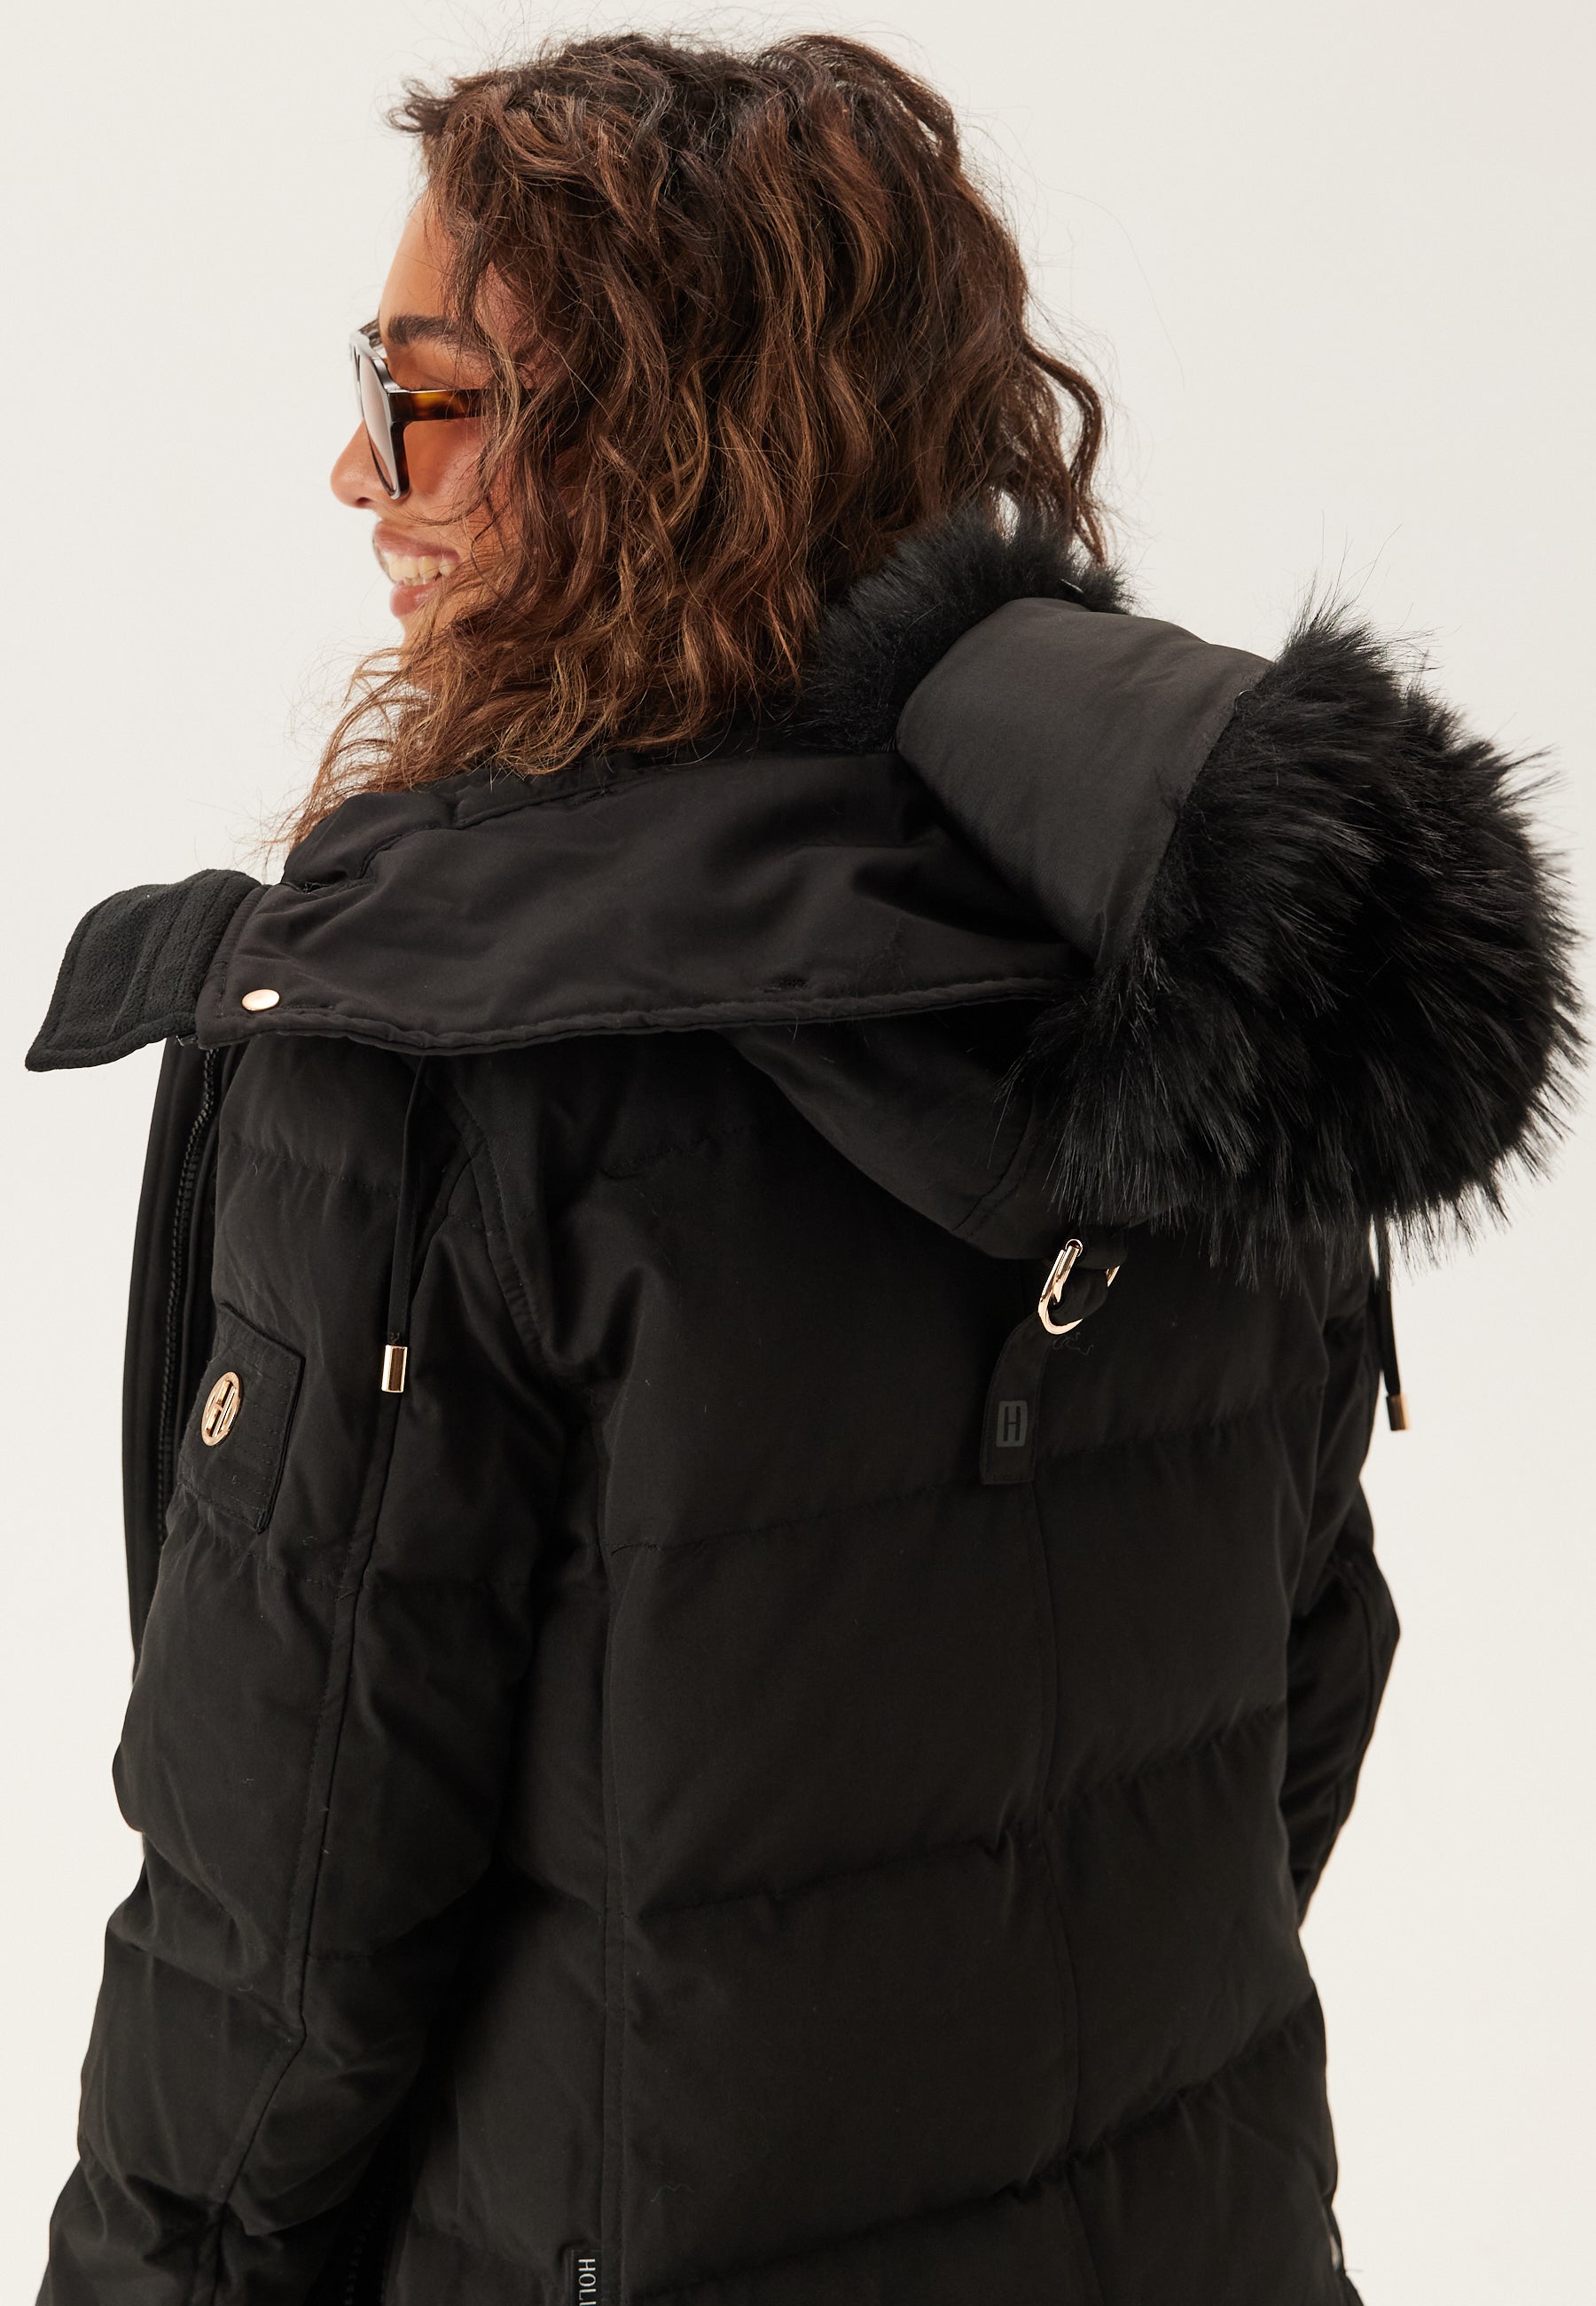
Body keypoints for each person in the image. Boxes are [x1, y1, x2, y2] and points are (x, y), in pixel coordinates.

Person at [27, 31, 1576, 2306]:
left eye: (425, 391)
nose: (360, 466)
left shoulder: (439, 1061)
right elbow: (1294, 1696)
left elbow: (274, 1952)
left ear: (649, 448)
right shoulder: (1202, 952)